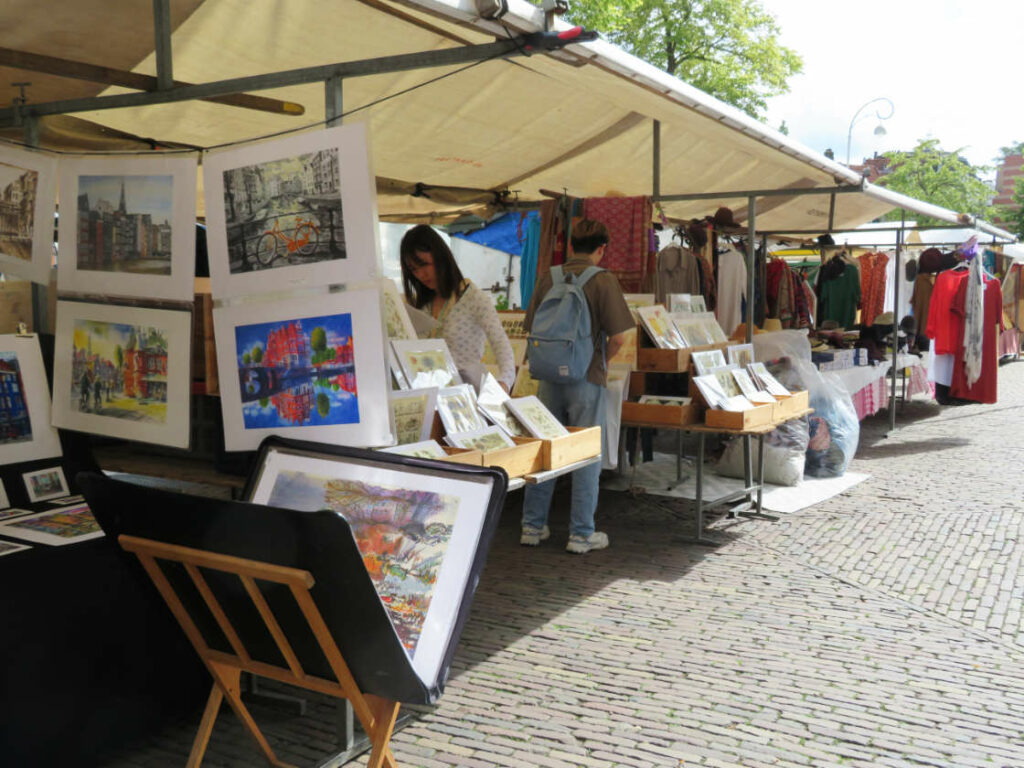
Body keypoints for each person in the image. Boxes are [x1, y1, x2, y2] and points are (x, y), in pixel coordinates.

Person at [520, 219, 634, 554]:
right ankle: (581, 534)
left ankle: (532, 525)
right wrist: (603, 362)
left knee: (545, 449)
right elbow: (619, 337)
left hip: (548, 377)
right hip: (586, 377)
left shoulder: (547, 277)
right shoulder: (603, 280)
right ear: (601, 249)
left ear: (570, 246)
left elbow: (531, 329)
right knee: (586, 454)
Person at [399, 225, 516, 391]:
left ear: (440, 256)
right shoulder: (421, 305)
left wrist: (503, 384)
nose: (420, 275)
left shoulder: (473, 298)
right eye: (413, 270)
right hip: (430, 397)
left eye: (424, 265)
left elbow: (502, 346)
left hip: (468, 396)